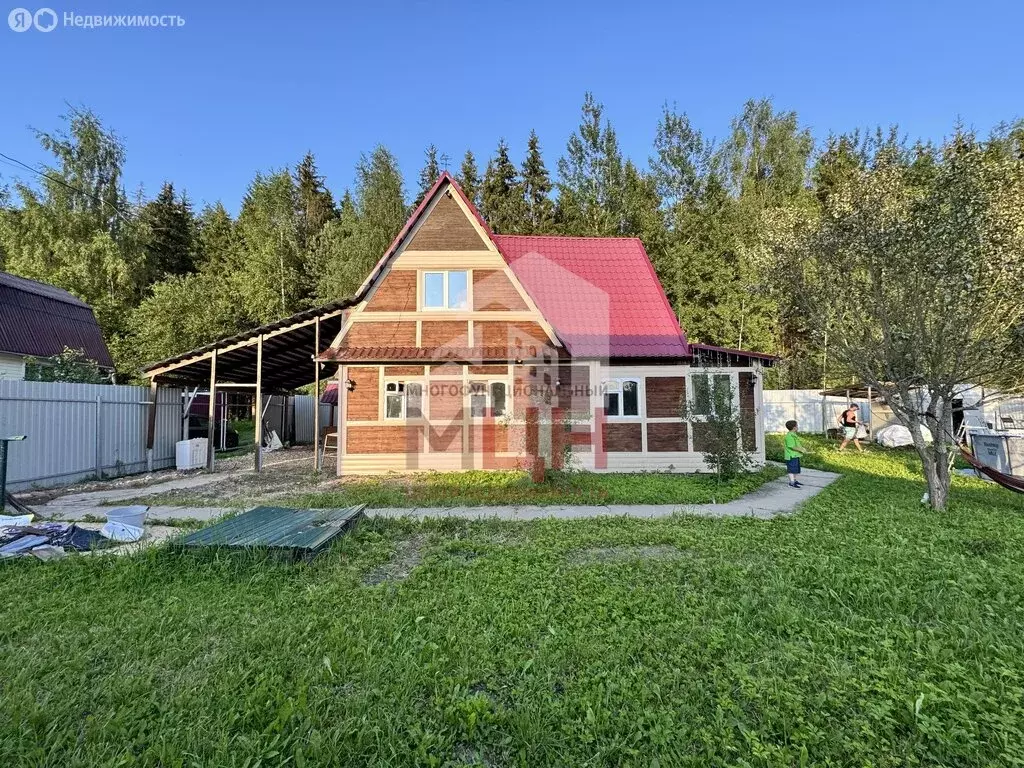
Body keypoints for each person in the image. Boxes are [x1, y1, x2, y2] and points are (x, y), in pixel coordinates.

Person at [784, 419, 806, 488]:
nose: (798, 427)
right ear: (794, 428)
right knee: (791, 469)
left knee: (796, 469)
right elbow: (792, 446)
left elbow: (797, 444)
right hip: (791, 456)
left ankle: (795, 480)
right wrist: (801, 449)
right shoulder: (789, 436)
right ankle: (791, 483)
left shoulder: (793, 435)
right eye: (797, 426)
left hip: (795, 455)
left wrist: (802, 449)